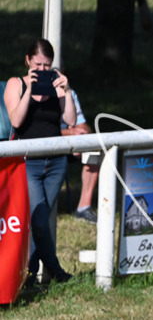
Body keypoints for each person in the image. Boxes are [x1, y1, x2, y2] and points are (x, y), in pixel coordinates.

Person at [3, 39, 76, 283]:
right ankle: (56, 271)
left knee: (39, 221)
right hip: (27, 163)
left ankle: (29, 273)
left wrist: (66, 91)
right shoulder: (16, 84)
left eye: (47, 65)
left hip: (55, 162)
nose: (42, 70)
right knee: (38, 220)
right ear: (27, 61)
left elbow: (71, 120)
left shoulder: (57, 85)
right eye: (38, 65)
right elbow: (16, 120)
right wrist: (29, 92)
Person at [61, 88, 98, 224]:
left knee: (94, 150)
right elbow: (39, 132)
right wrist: (69, 133)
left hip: (66, 142)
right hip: (42, 143)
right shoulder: (34, 92)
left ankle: (84, 208)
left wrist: (82, 134)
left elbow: (83, 125)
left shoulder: (68, 92)